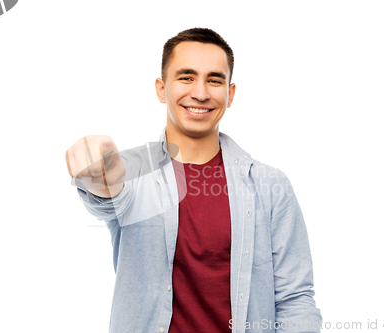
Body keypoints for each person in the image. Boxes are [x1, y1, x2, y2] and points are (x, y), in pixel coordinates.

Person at [65, 28, 322, 333]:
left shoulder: (269, 186)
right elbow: (107, 198)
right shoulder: (132, 173)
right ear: (161, 89)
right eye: (186, 77)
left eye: (214, 80)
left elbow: (295, 299)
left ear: (230, 94)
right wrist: (96, 179)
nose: (200, 93)